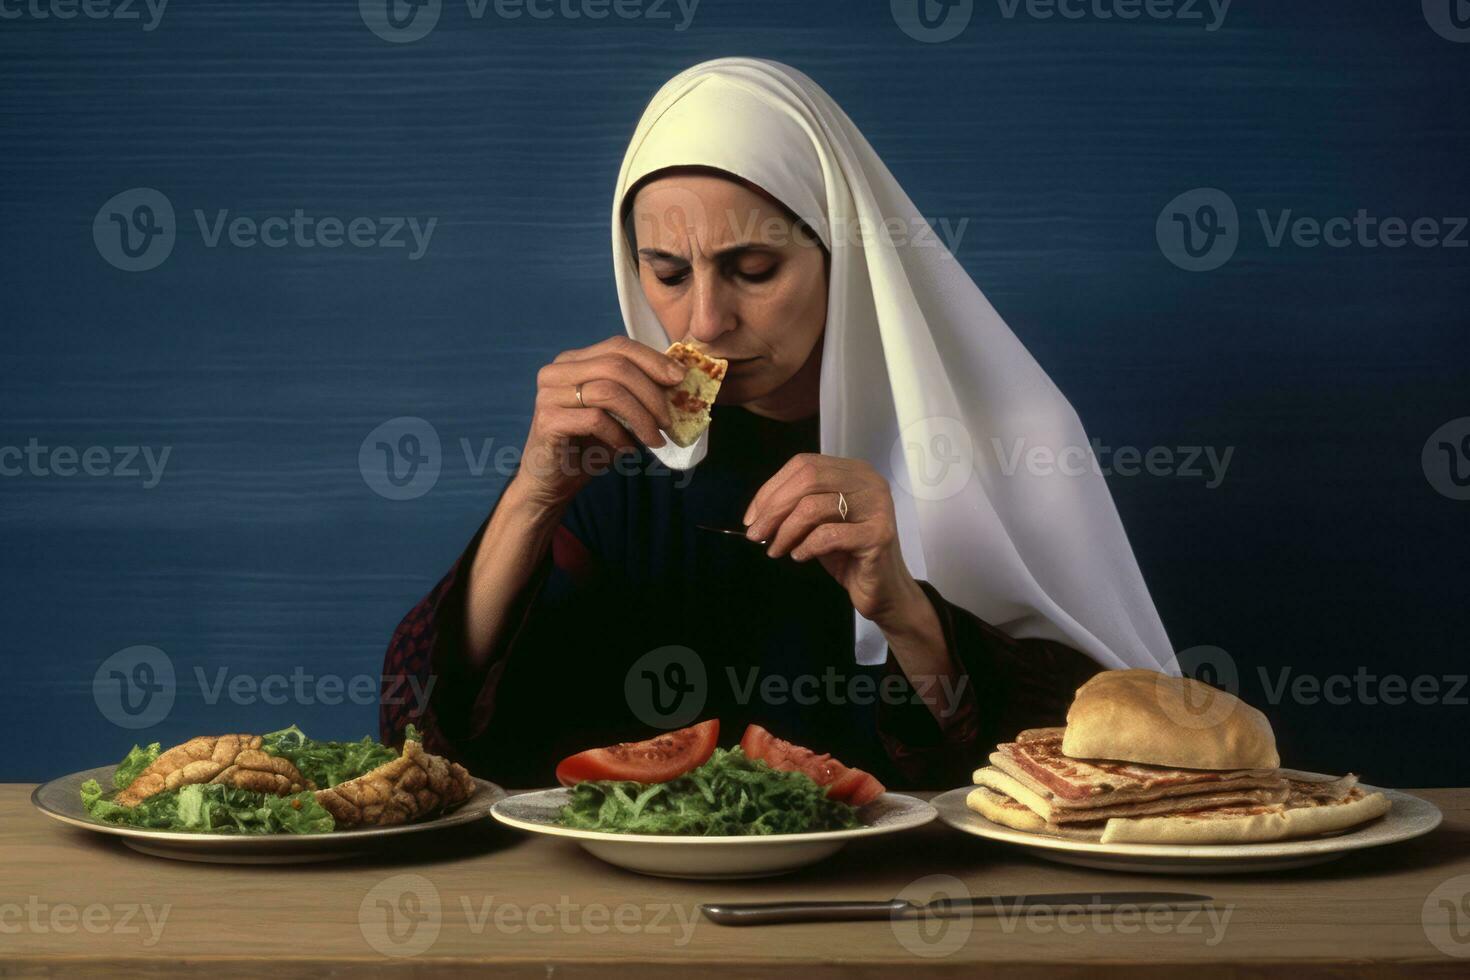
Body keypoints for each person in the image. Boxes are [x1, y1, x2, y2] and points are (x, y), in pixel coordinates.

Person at [379, 58, 1176, 789]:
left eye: (753, 270)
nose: (705, 321)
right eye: (666, 273)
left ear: (844, 252)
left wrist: (907, 611)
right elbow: (425, 741)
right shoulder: (617, 454)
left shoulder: (1012, 441)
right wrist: (531, 497)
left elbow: (1111, 763)